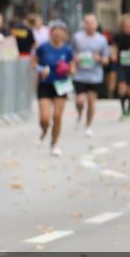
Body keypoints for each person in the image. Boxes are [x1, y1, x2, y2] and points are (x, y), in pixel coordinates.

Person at [33, 20, 75, 156]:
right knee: (44, 118)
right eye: (55, 32)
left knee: (57, 116)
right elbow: (33, 62)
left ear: (64, 35)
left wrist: (69, 69)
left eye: (60, 32)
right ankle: (44, 130)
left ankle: (54, 144)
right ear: (51, 33)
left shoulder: (67, 50)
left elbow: (73, 67)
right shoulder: (43, 47)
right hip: (45, 84)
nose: (57, 35)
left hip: (61, 85)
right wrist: (40, 69)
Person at [71, 13, 110, 137]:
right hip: (80, 74)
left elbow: (106, 59)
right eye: (87, 22)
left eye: (92, 22)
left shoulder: (102, 39)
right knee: (80, 101)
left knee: (91, 101)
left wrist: (99, 58)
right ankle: (79, 113)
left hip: (95, 75)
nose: (89, 25)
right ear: (84, 24)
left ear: (96, 24)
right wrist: (75, 59)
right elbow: (70, 54)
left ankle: (88, 126)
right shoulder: (77, 37)